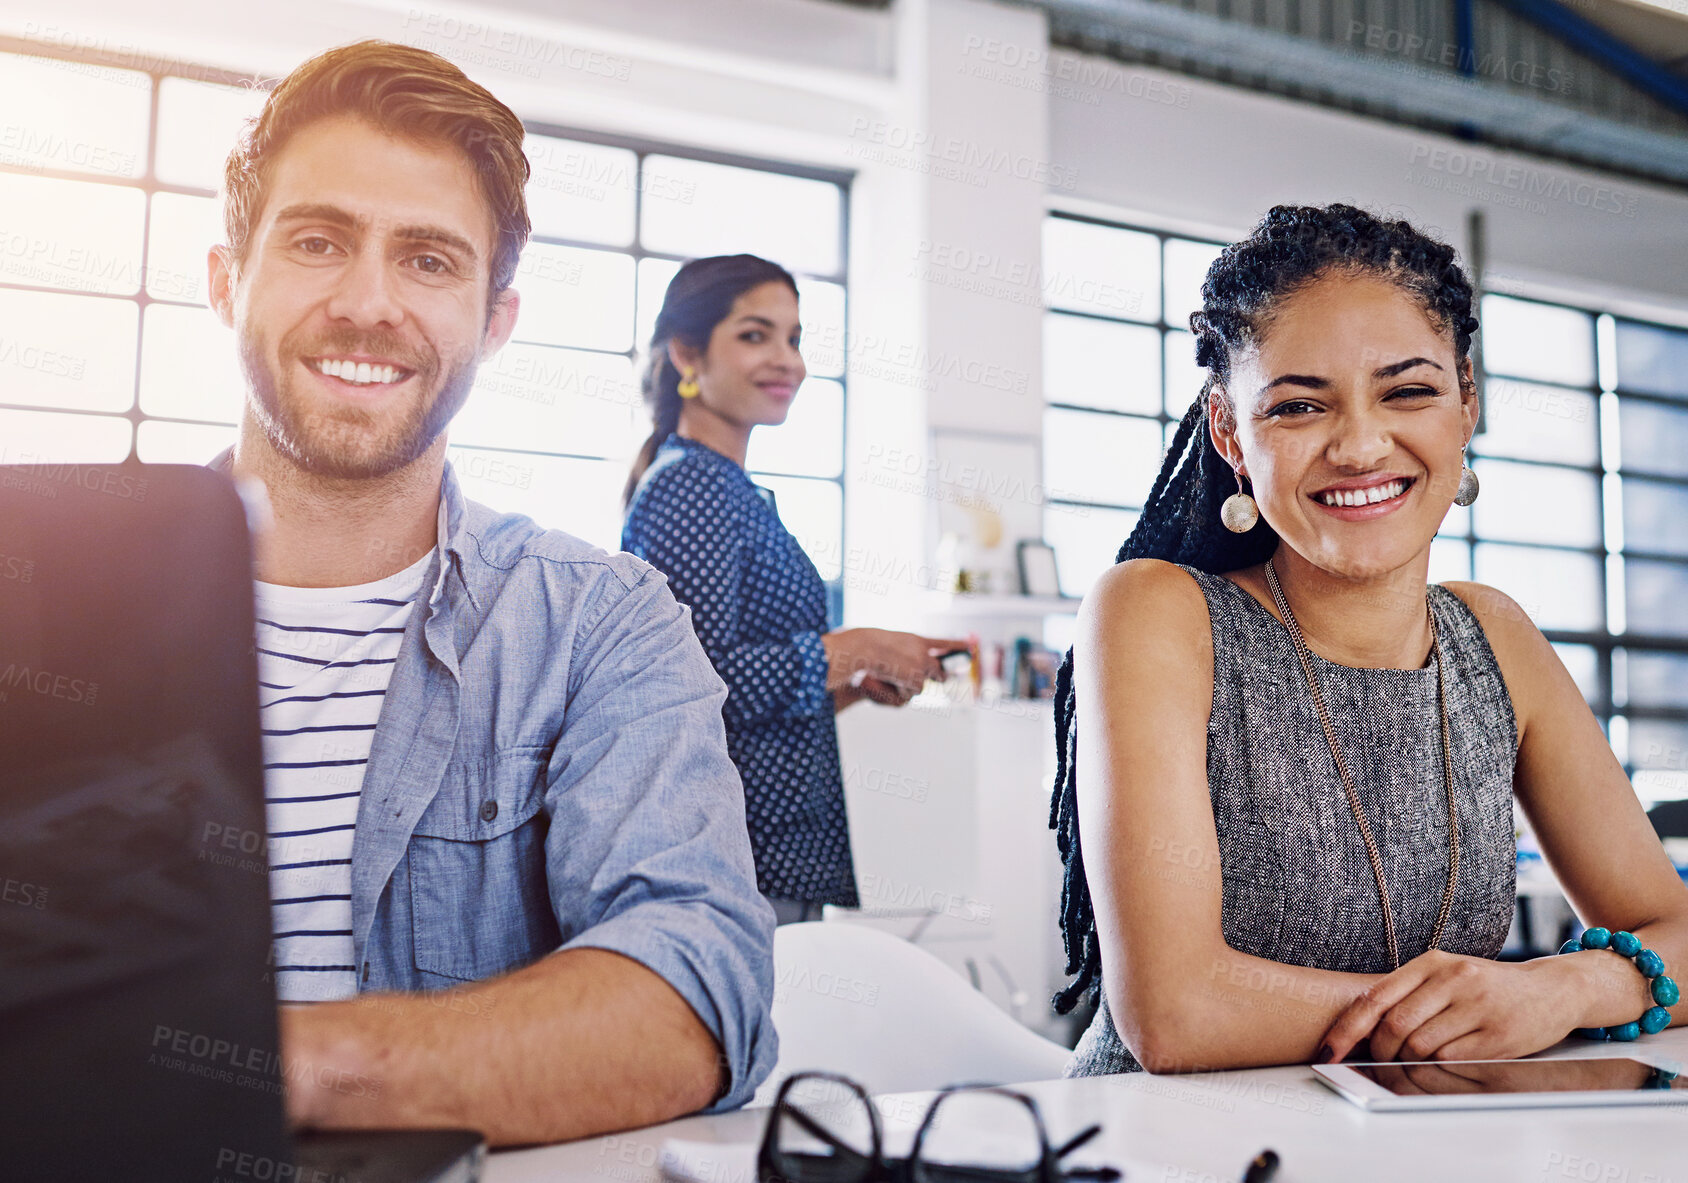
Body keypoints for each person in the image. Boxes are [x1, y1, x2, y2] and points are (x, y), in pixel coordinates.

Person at [204, 41, 775, 1144]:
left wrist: (230, 1066)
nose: (368, 304)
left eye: (428, 260)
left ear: (493, 320)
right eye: (318, 241)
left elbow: (693, 988)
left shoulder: (602, 623)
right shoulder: (40, 593)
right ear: (228, 278)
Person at [1048, 204, 1688, 1075]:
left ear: (1468, 401)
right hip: (1180, 1149)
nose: (1359, 444)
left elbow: (1677, 928)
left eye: (1408, 390)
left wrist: (1558, 991)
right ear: (1230, 432)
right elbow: (1175, 1012)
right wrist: (1477, 1010)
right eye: (1300, 405)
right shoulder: (1157, 613)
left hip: (1413, 1141)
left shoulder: (1493, 636)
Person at [621, 255, 966, 922]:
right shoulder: (693, 486)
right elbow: (695, 685)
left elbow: (740, 699)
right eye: (756, 335)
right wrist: (856, 647)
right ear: (688, 353)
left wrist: (847, 683)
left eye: (794, 337)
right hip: (734, 853)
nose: (789, 360)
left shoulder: (724, 487)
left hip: (769, 850)